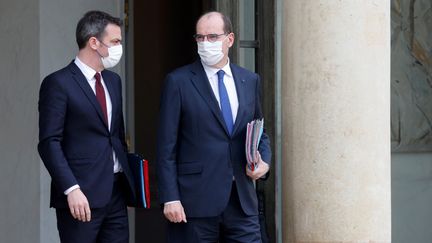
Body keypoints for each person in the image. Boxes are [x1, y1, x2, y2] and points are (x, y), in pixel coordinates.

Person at [157, 11, 272, 242]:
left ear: (229, 39)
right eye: (200, 38)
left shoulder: (249, 80)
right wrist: (170, 197)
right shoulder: (178, 81)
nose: (205, 43)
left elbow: (260, 132)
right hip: (195, 203)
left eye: (212, 37)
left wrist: (265, 163)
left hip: (241, 202)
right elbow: (165, 145)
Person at [38, 10, 134, 243]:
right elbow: (49, 143)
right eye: (115, 42)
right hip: (80, 196)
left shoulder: (113, 81)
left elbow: (116, 135)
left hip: (116, 193)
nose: (119, 47)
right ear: (94, 42)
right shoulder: (58, 83)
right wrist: (71, 189)